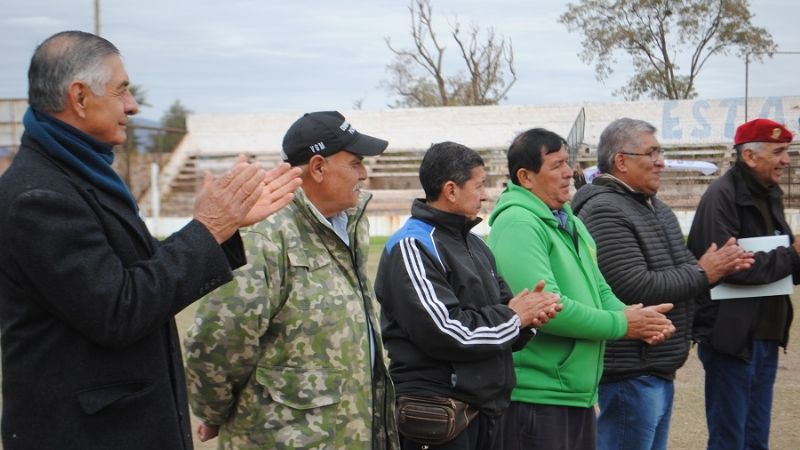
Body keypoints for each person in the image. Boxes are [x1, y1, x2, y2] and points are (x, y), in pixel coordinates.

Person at [0, 31, 301, 449]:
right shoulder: (41, 196)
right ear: (80, 97)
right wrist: (208, 229)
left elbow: (132, 277)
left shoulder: (81, 175)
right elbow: (118, 309)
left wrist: (220, 230)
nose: (133, 105)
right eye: (122, 90)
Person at [184, 110, 399, 449]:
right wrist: (214, 412)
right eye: (356, 163)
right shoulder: (265, 234)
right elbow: (217, 341)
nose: (365, 174)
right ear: (318, 168)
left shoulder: (349, 223)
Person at [487, 127, 676, 450]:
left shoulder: (566, 218)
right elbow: (548, 308)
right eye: (556, 165)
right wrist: (623, 325)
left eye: (568, 163)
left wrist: (636, 316)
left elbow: (598, 287)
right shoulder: (519, 223)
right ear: (526, 177)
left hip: (573, 394)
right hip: (537, 395)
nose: (568, 173)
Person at [571, 118, 753, 450]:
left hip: (656, 367)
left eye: (661, 151)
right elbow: (633, 285)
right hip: (631, 372)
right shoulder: (604, 210)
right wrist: (704, 273)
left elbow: (684, 269)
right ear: (621, 161)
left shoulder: (656, 209)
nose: (661, 161)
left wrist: (708, 269)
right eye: (652, 152)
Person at [374, 141, 562, 450]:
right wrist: (515, 317)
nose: (486, 195)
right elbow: (447, 331)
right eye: (480, 185)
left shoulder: (476, 245)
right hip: (438, 415)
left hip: (485, 409)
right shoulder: (412, 245)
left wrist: (528, 321)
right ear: (450, 190)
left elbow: (503, 314)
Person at [687, 118, 798, 450]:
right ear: (750, 156)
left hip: (764, 335)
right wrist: (793, 255)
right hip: (731, 339)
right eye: (778, 152)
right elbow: (732, 267)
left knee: (755, 439)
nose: (786, 160)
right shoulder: (721, 196)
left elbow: (782, 264)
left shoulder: (770, 194)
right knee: (728, 440)